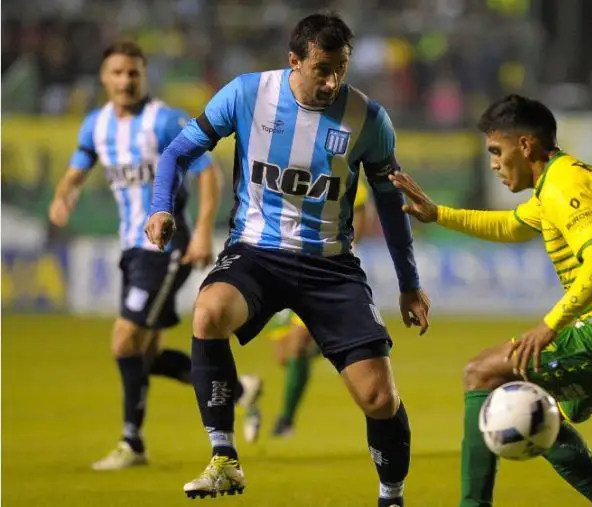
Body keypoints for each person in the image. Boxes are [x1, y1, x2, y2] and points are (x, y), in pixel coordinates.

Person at [145, 12, 431, 505]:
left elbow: (390, 204)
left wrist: (409, 283)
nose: (333, 80)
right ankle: (224, 460)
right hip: (257, 253)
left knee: (379, 399)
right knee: (209, 311)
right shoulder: (246, 94)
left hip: (331, 266)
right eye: (323, 68)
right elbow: (175, 153)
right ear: (294, 60)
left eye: (341, 67)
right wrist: (160, 208)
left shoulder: (370, 119)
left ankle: (392, 495)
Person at [391, 94, 592, 507]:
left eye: (496, 151)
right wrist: (439, 215)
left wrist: (549, 325)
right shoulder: (561, 180)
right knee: (539, 411)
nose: (493, 163)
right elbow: (511, 225)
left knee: (482, 375)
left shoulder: (563, 185)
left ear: (524, 146)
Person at [48, 41, 263, 471]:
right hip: (131, 248)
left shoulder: (164, 122)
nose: (126, 81)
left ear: (144, 76)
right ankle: (240, 390)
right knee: (142, 355)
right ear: (104, 78)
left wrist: (202, 231)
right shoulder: (95, 125)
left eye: (134, 73)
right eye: (118, 73)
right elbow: (79, 165)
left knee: (125, 340)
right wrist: (63, 194)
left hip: (166, 245)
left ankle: (133, 442)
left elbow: (208, 175)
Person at [269, 177, 371, 438]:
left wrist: (345, 250)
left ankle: (285, 421)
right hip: (281, 262)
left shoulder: (341, 169)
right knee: (284, 355)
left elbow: (360, 214)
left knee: (298, 343)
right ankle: (333, 344)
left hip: (323, 267)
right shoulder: (282, 164)